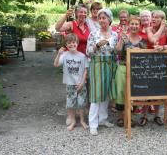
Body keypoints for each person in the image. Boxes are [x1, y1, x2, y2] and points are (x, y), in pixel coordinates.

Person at [86, 8, 118, 136]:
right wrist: (97, 45)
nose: (101, 20)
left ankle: (103, 119)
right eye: (99, 18)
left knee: (106, 92)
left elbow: (116, 51)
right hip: (97, 64)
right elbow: (88, 51)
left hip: (110, 64)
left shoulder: (115, 34)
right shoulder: (93, 33)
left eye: (104, 18)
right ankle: (93, 124)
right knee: (96, 94)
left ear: (110, 19)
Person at [139, 10, 167, 126]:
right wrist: (161, 28)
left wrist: (163, 47)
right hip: (148, 63)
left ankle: (156, 115)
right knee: (146, 90)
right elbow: (153, 40)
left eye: (157, 17)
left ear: (162, 19)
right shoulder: (148, 29)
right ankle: (144, 115)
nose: (153, 19)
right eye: (153, 17)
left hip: (162, 64)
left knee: (159, 90)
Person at [114, 16, 147, 127]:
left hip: (136, 70)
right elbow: (117, 50)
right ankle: (120, 117)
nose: (134, 26)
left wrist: (139, 51)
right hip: (123, 67)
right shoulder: (124, 38)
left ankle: (130, 117)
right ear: (128, 25)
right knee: (121, 92)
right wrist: (121, 38)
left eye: (136, 24)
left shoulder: (143, 41)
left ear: (140, 26)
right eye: (132, 24)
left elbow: (146, 57)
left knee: (135, 92)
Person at [54, 33, 88, 131]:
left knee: (81, 103)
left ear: (77, 43)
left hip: (80, 83)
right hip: (70, 84)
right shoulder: (64, 55)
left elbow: (86, 70)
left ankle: (82, 120)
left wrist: (82, 82)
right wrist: (59, 54)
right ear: (66, 45)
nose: (71, 45)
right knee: (70, 104)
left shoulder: (82, 56)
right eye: (69, 43)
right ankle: (72, 121)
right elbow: (56, 64)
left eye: (73, 42)